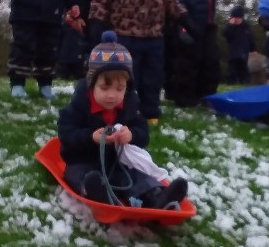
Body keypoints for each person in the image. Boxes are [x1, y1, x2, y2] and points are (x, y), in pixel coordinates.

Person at [57, 31, 188, 208]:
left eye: (120, 89)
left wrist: (131, 135)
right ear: (91, 84)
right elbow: (66, 133)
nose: (112, 95)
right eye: (105, 87)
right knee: (79, 173)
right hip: (83, 160)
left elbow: (143, 133)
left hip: (117, 164)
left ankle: (158, 197)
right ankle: (94, 191)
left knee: (136, 175)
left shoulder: (129, 106)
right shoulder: (80, 105)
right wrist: (91, 137)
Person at [223, 6, 255, 84]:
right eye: (234, 17)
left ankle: (245, 83)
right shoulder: (230, 27)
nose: (236, 19)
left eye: (238, 18)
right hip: (233, 53)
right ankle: (230, 83)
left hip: (244, 53)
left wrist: (253, 49)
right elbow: (226, 34)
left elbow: (251, 39)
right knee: (231, 71)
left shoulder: (246, 27)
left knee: (244, 71)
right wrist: (231, 25)